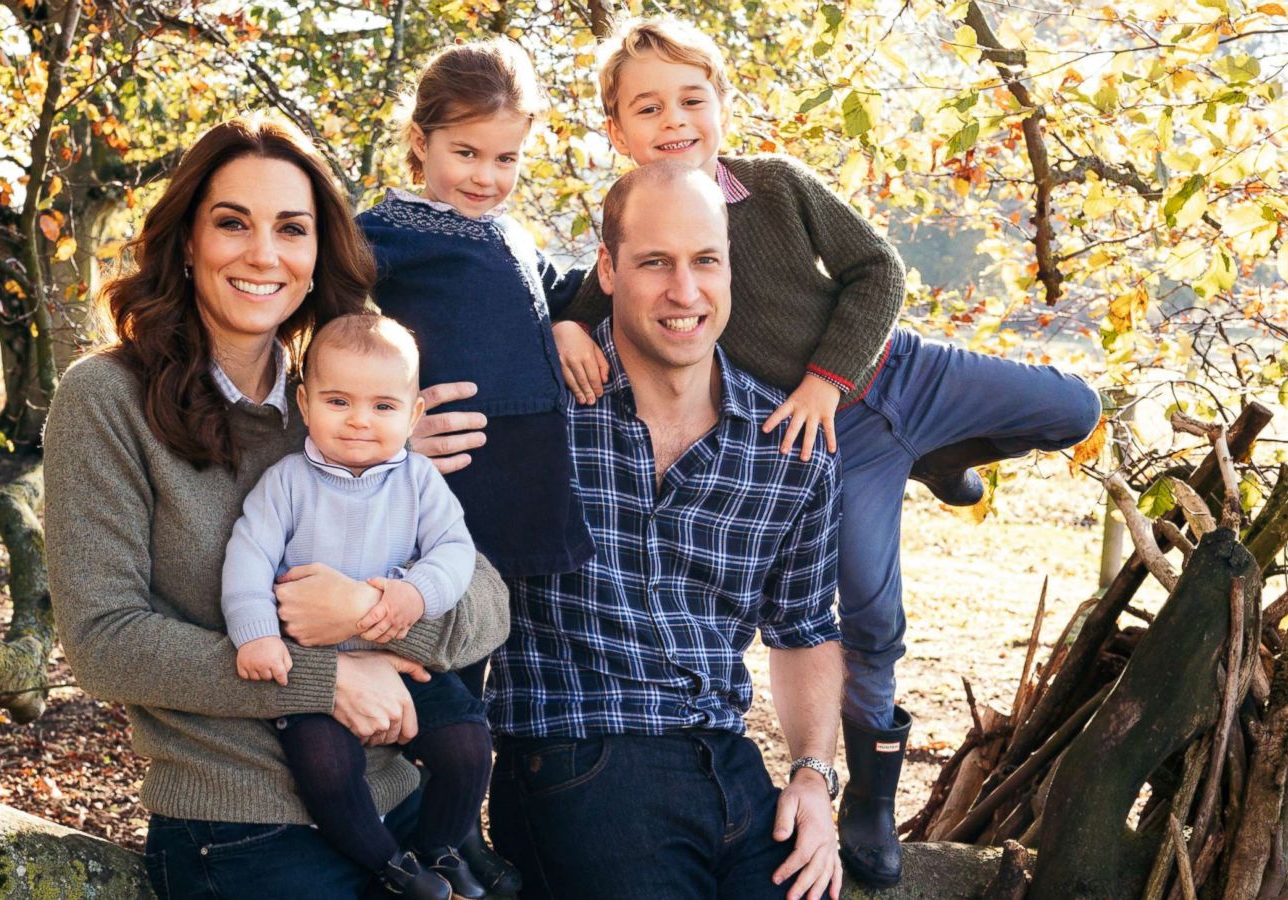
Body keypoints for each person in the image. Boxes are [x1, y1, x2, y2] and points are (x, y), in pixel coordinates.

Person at [551, 18, 1103, 888]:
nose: (675, 120)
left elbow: (877, 270)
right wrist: (561, 326)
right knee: (869, 617)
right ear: (617, 132)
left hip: (897, 373)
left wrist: (824, 378)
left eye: (693, 98)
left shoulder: (776, 186)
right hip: (833, 447)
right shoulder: (636, 226)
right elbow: (593, 293)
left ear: (724, 104)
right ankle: (871, 803)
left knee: (1075, 407)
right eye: (647, 107)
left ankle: (945, 452)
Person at [41, 112, 509, 900]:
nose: (264, 254)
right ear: (187, 241)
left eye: (291, 229)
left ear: (318, 250)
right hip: (243, 831)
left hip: (405, 804)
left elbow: (487, 599)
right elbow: (104, 642)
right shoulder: (105, 400)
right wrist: (323, 680)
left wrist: (366, 612)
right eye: (233, 223)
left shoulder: (343, 403)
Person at [486, 162, 847, 900]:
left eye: (705, 261)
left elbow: (805, 629)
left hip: (731, 767)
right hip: (577, 755)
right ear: (609, 270)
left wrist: (813, 775)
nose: (685, 292)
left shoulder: (786, 448)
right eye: (655, 263)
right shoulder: (534, 415)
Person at [357, 38, 594, 892]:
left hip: (521, 484)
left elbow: (556, 286)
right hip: (447, 484)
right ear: (420, 141)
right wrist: (385, 425)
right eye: (465, 153)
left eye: (506, 158)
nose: (487, 176)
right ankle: (432, 831)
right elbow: (329, 333)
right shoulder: (383, 233)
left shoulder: (510, 230)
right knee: (437, 661)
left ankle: (461, 825)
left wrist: (567, 320)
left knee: (484, 659)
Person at [219, 314, 490, 900]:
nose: (360, 420)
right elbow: (248, 557)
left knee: (468, 745)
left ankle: (440, 846)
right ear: (305, 401)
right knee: (326, 767)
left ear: (415, 413)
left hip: (397, 660)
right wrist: (256, 634)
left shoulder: (419, 481)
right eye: (338, 400)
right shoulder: (287, 482)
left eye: (383, 407)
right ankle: (391, 866)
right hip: (313, 672)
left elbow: (454, 550)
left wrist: (416, 594)